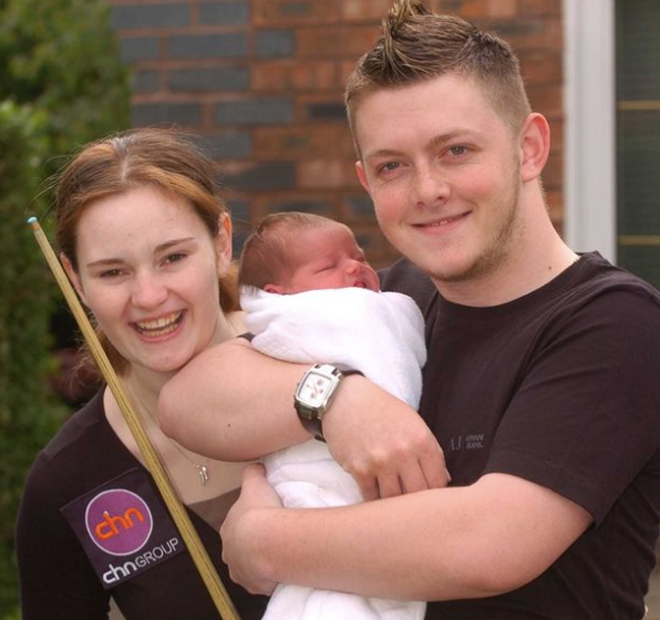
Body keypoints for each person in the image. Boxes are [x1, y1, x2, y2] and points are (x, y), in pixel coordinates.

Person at [158, 1, 660, 618]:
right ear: (366, 181)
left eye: (456, 150)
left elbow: (491, 545)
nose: (427, 190)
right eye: (393, 165)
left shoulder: (615, 323)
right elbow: (187, 402)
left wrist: (265, 542)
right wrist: (337, 400)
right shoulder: (388, 303)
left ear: (529, 148)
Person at [15, 128, 269, 620]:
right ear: (75, 279)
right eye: (113, 272)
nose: (149, 297)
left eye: (173, 257)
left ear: (221, 242)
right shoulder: (66, 482)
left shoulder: (331, 356)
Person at [238, 211, 427, 620]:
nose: (355, 267)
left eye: (358, 256)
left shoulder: (390, 304)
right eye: (329, 266)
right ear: (279, 295)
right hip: (317, 487)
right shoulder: (294, 322)